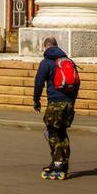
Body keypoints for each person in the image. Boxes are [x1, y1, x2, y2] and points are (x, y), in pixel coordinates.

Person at [32, 36, 80, 180]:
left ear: (45, 47)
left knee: (51, 132)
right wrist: (71, 101)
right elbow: (77, 83)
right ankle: (63, 163)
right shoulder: (69, 62)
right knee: (62, 132)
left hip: (55, 103)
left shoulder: (46, 62)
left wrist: (36, 100)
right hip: (69, 103)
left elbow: (39, 82)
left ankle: (58, 161)